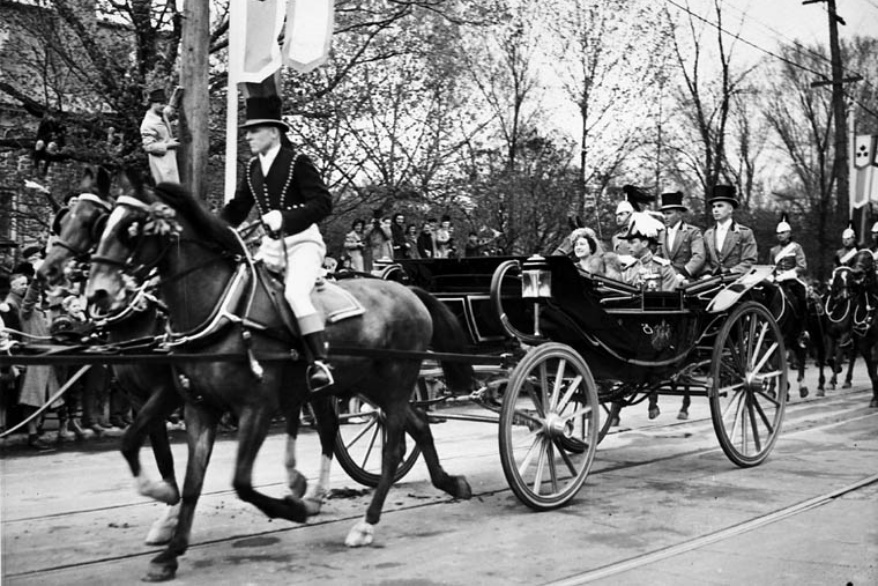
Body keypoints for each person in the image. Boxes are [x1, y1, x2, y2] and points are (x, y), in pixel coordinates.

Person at [221, 95, 334, 392]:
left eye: (253, 131)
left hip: (303, 243)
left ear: (274, 131)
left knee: (296, 294)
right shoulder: (252, 168)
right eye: (246, 131)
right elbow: (237, 208)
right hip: (270, 248)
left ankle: (320, 362)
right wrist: (208, 227)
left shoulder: (298, 161)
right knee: (241, 294)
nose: (247, 137)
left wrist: (284, 217)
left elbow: (323, 203)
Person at [6, 274, 60, 451]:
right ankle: (32, 434)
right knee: (32, 400)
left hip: (44, 357)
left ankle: (38, 431)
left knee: (43, 398)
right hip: (34, 357)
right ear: (12, 286)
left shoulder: (36, 311)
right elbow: (29, 301)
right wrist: (36, 282)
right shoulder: (22, 309)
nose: (24, 286)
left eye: (26, 284)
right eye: (21, 284)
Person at [769, 213, 809, 347]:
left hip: (794, 280)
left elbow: (802, 267)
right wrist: (773, 277)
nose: (780, 235)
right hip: (778, 281)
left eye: (783, 233)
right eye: (778, 233)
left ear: (789, 233)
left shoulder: (797, 248)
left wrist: (786, 275)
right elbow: (771, 267)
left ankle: (803, 331)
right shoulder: (773, 250)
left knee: (802, 300)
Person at [702, 185, 757, 276]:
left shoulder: (744, 232)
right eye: (714, 207)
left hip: (736, 281)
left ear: (730, 209)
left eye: (720, 206)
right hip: (712, 281)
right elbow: (704, 260)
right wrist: (707, 273)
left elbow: (749, 261)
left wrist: (730, 272)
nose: (715, 210)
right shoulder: (708, 234)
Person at [618, 213, 677, 292]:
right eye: (628, 242)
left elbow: (670, 298)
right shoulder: (630, 270)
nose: (628, 246)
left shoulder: (664, 268)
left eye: (632, 242)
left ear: (644, 243)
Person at [657, 191, 705, 284]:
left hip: (686, 279)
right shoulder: (662, 234)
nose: (665, 217)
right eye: (664, 214)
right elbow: (657, 256)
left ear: (679, 214)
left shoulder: (692, 232)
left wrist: (683, 274)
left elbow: (699, 257)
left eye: (669, 213)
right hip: (666, 279)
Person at [140, 88, 180, 185]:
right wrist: (168, 145)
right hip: (160, 161)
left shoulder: (160, 114)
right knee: (167, 188)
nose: (163, 106)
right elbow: (148, 147)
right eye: (161, 103)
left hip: (169, 159)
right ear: (153, 103)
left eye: (164, 103)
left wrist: (175, 96)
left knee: (174, 187)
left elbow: (168, 110)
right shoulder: (148, 123)